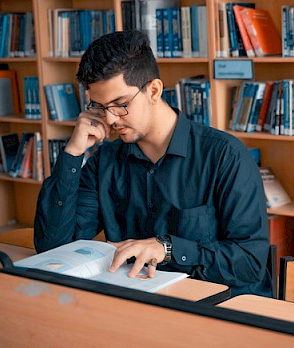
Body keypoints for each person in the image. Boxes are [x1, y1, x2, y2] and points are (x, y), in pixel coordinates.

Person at [34, 30, 272, 297]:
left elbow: (250, 263)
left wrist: (168, 249)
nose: (110, 120)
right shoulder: (105, 161)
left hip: (218, 310)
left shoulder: (226, 156)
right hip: (139, 305)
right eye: (99, 106)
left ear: (154, 90)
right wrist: (73, 153)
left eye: (120, 104)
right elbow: (53, 249)